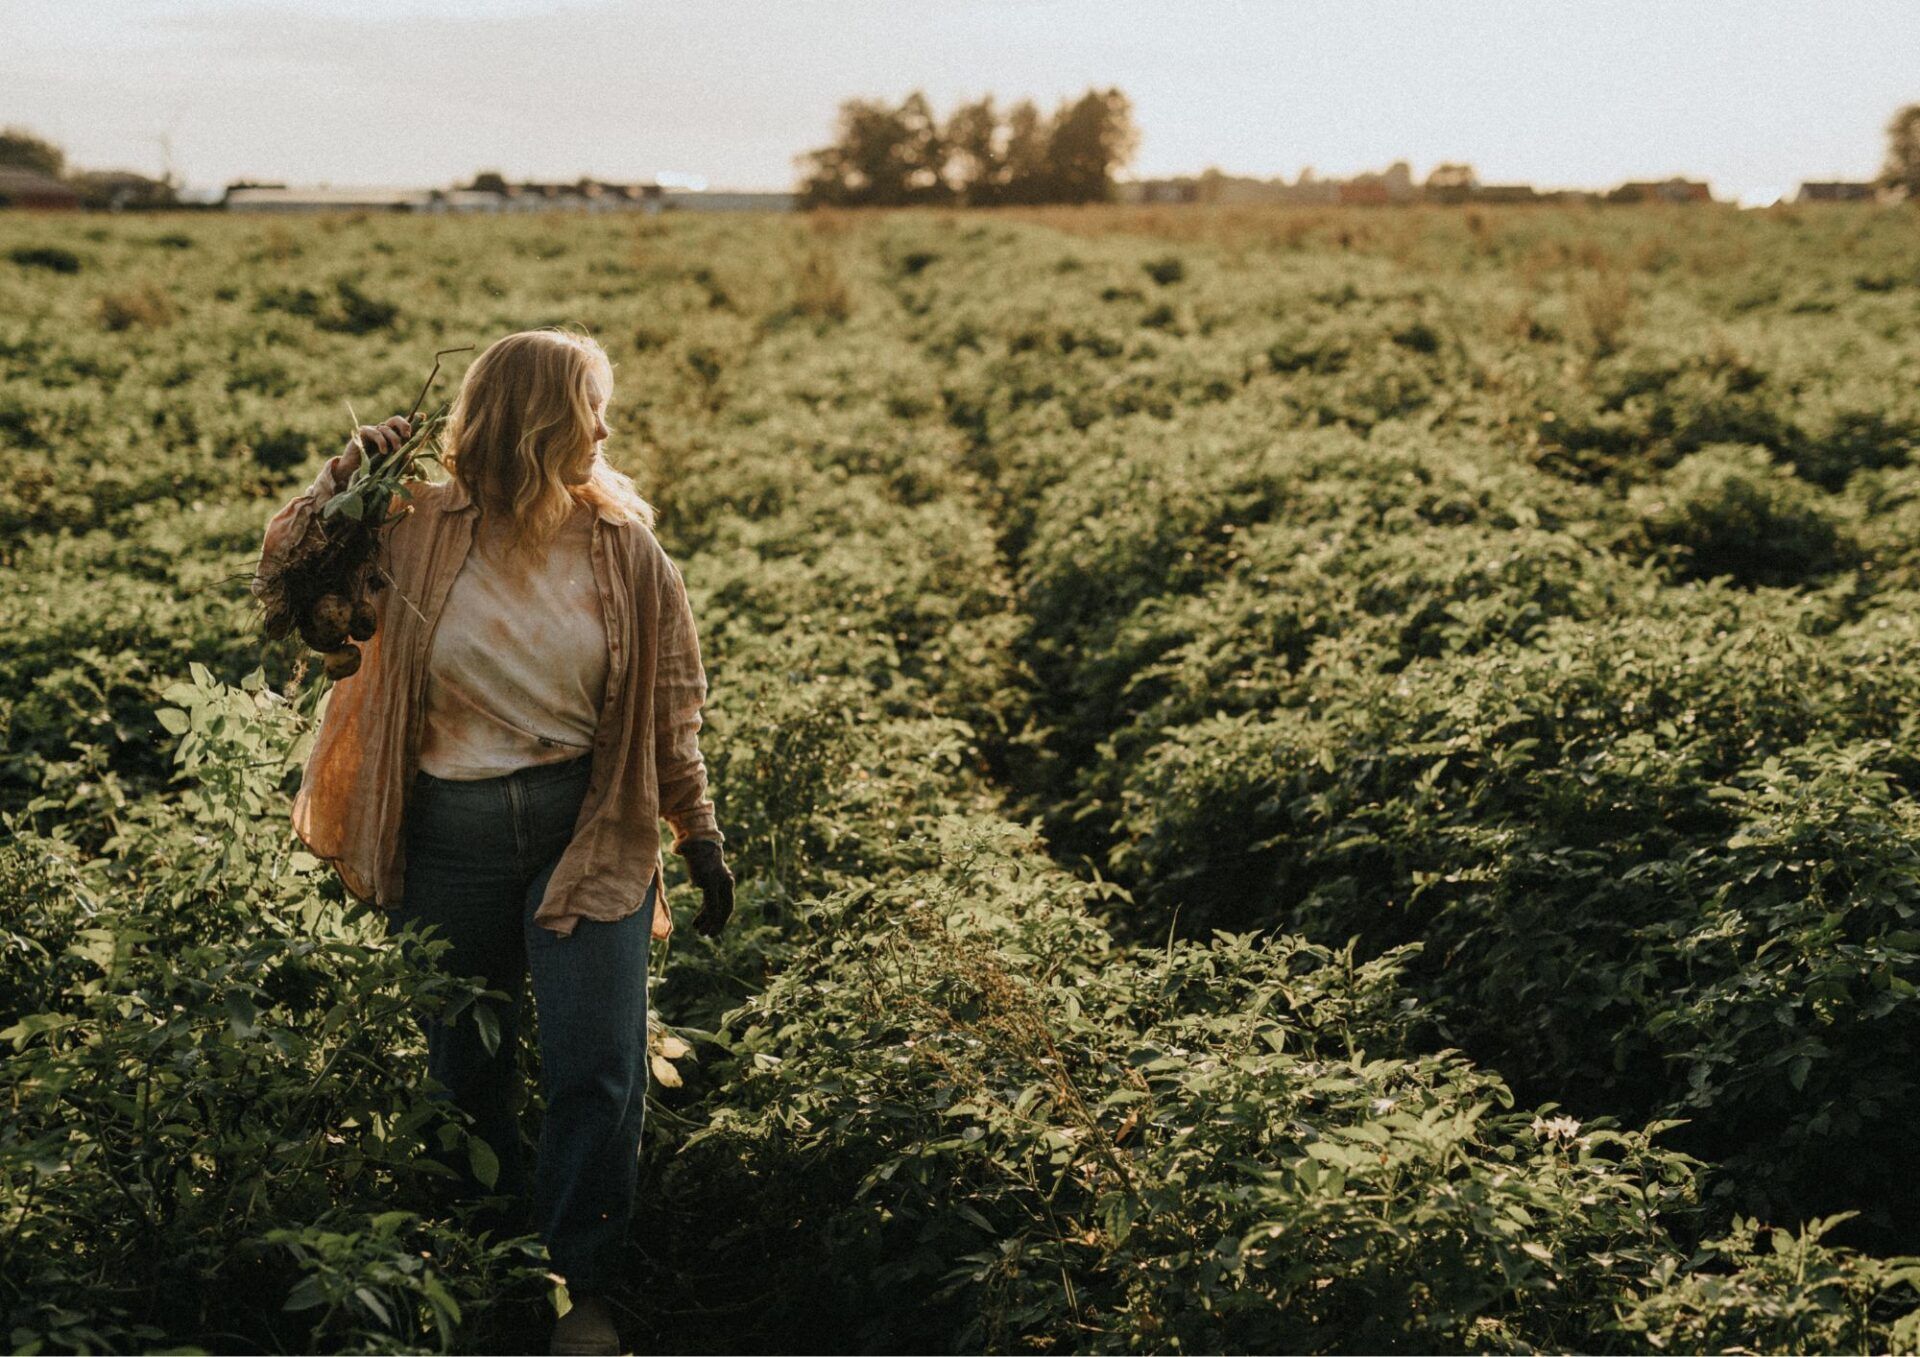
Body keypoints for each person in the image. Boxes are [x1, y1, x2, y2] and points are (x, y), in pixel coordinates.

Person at [251, 327, 735, 1357]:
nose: (605, 426)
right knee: (466, 1065)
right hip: (448, 830)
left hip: (590, 825)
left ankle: (582, 1288)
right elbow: (289, 578)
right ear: (541, 415)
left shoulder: (624, 548)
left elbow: (671, 707)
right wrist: (345, 477)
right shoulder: (412, 523)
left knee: (596, 1066)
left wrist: (699, 831)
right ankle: (479, 1262)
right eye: (590, 404)